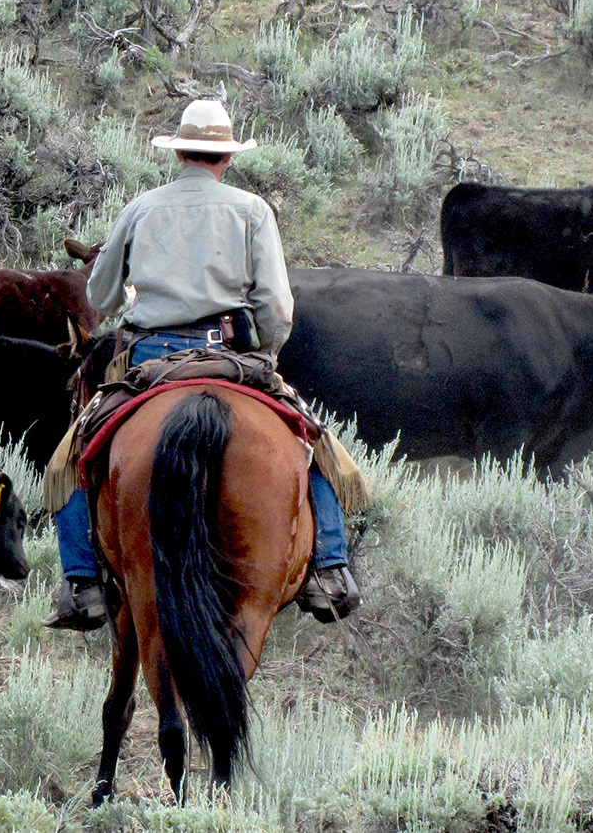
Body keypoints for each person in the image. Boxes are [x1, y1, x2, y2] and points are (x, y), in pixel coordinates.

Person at [42, 98, 361, 631]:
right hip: (231, 354)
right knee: (314, 444)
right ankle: (329, 569)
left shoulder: (142, 208)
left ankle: (82, 583)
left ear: (180, 155)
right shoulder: (252, 210)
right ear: (226, 158)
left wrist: (131, 302)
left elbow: (98, 291)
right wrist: (268, 354)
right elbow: (278, 309)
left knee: (72, 455)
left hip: (148, 357)